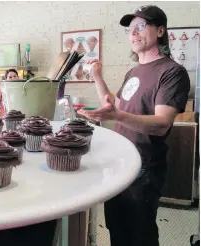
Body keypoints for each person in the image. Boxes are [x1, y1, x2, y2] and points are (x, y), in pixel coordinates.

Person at [78, 5, 190, 246]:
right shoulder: (133, 72)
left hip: (144, 166)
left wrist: (116, 115)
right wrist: (97, 76)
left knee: (139, 234)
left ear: (160, 30)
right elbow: (115, 105)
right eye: (130, 29)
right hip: (119, 162)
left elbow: (161, 124)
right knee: (116, 227)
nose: (134, 33)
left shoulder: (172, 72)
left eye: (141, 26)